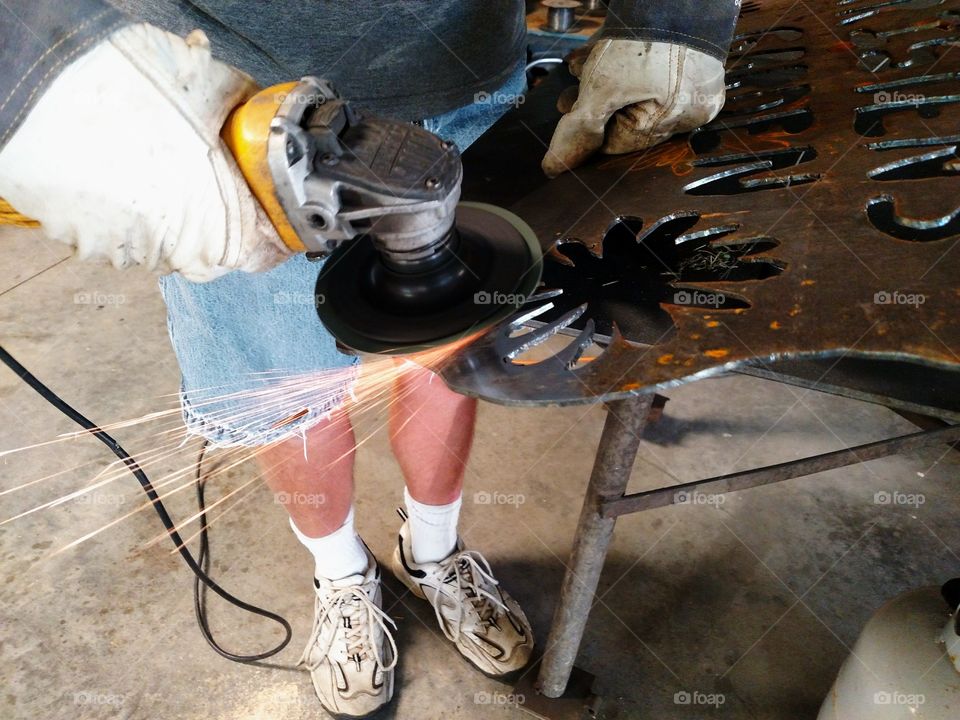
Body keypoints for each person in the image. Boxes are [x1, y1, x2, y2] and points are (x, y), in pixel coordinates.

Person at [0, 1, 737, 716]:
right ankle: (341, 577)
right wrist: (42, 66)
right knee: (285, 390)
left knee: (442, 365)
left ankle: (433, 553)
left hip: (463, 77)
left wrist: (675, 19)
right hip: (216, 117)